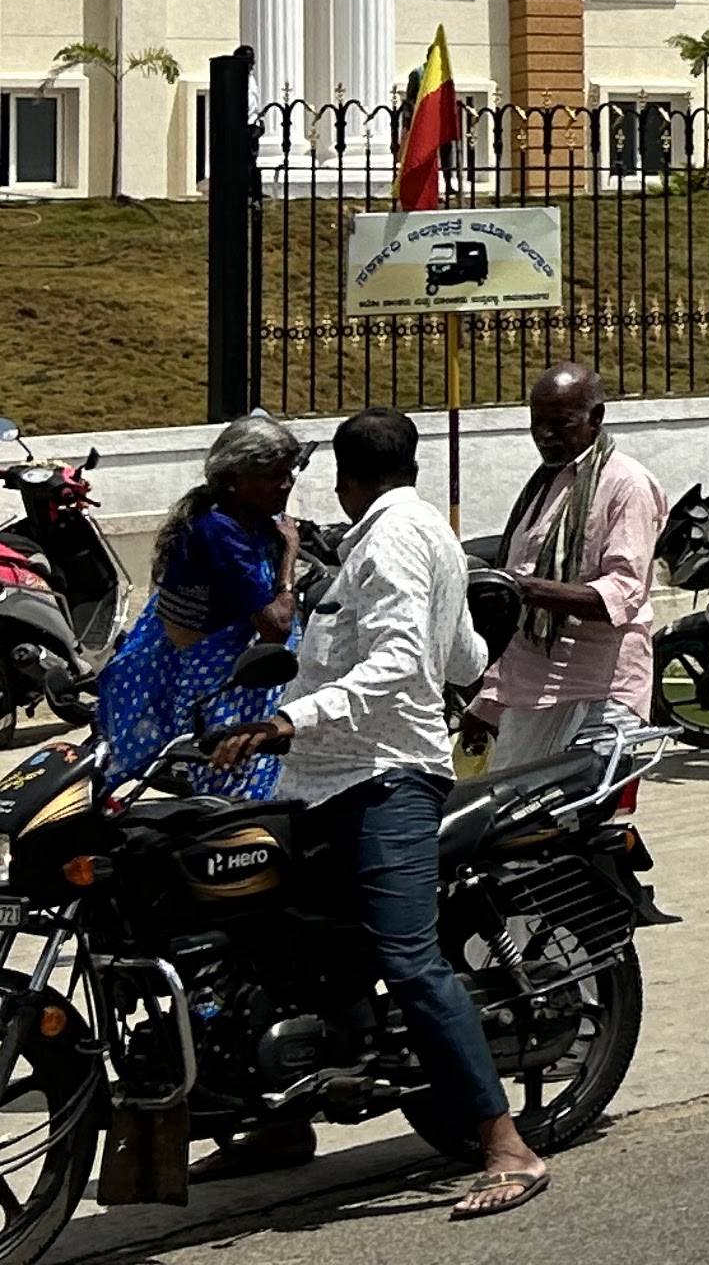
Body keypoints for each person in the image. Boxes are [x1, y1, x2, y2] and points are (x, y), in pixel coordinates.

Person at [207, 409, 548, 1222]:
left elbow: (400, 662)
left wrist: (296, 719)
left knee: (409, 959)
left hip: (384, 778)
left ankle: (508, 1146)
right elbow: (461, 657)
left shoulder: (390, 538)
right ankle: (284, 1120)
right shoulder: (421, 534)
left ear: (345, 477)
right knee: (284, 941)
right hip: (324, 783)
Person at [461, 366, 663, 777]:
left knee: (584, 820)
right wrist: (488, 702)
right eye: (538, 425)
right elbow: (517, 621)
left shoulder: (628, 486)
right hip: (531, 691)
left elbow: (622, 593)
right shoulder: (543, 486)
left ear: (596, 418)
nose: (546, 436)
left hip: (601, 689)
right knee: (507, 818)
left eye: (560, 424)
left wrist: (526, 589)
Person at [97, 412, 303, 799]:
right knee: (230, 782)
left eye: (289, 472)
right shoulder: (220, 531)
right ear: (234, 481)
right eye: (275, 475)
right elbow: (276, 625)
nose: (286, 484)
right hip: (218, 683)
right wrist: (288, 556)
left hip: (219, 672)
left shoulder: (248, 520)